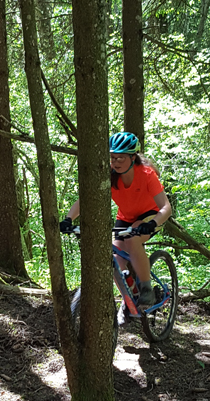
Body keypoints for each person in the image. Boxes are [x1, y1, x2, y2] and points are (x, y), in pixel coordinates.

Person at [59, 131, 172, 322]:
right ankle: (129, 300)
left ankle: (146, 288)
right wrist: (68, 219)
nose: (116, 162)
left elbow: (166, 207)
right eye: (112, 157)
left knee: (133, 238)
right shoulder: (109, 176)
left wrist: (153, 223)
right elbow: (85, 199)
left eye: (121, 158)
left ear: (133, 157)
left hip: (151, 215)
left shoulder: (146, 174)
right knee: (114, 261)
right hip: (125, 218)